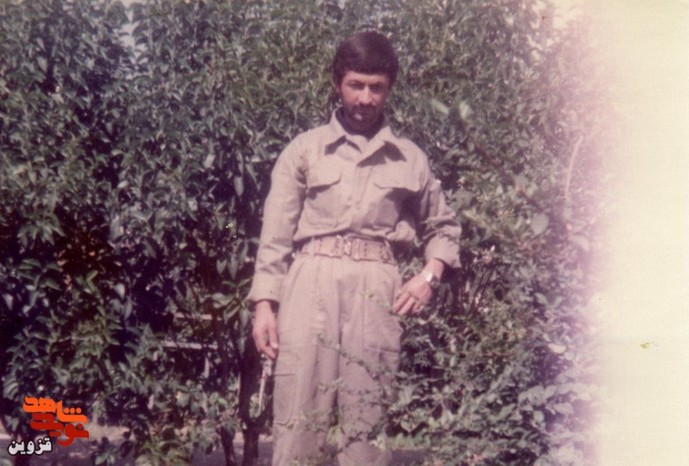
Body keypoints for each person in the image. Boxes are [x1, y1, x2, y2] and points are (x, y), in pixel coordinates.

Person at [247, 31, 461, 466]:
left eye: (376, 87)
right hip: (311, 282)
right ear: (338, 83)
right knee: (297, 423)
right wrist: (264, 306)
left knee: (366, 430)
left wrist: (428, 276)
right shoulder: (304, 150)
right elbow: (275, 237)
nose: (365, 98)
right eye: (355, 85)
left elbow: (443, 227)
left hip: (375, 291)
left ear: (389, 88)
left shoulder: (409, 158)